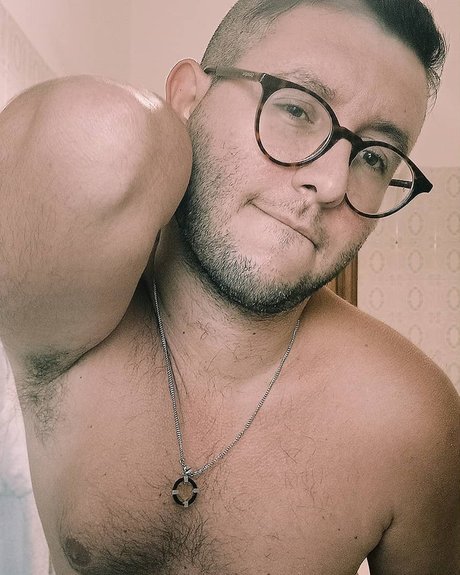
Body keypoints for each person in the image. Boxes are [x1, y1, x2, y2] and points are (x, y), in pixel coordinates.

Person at [0, 0, 459, 573]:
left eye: (373, 157)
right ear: (187, 98)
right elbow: (93, 131)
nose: (331, 183)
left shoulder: (414, 425)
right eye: (297, 108)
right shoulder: (69, 330)